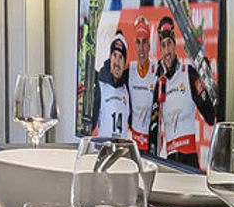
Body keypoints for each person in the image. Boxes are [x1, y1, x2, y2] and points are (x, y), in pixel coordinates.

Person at [147, 14, 223, 161]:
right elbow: (153, 128)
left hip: (189, 158)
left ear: (175, 44)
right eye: (163, 45)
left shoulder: (188, 73)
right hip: (170, 160)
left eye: (169, 43)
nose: (167, 51)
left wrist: (206, 81)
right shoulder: (160, 83)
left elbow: (210, 116)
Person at [89, 34, 138, 140]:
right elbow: (90, 124)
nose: (117, 62)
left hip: (121, 147)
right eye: (114, 55)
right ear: (110, 58)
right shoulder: (100, 85)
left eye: (121, 57)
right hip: (103, 146)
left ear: (124, 63)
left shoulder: (127, 89)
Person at [126, 16, 158, 152]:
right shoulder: (129, 70)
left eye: (144, 42)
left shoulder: (157, 70)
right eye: (138, 43)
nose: (141, 48)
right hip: (134, 141)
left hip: (152, 142)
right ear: (134, 45)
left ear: (149, 46)